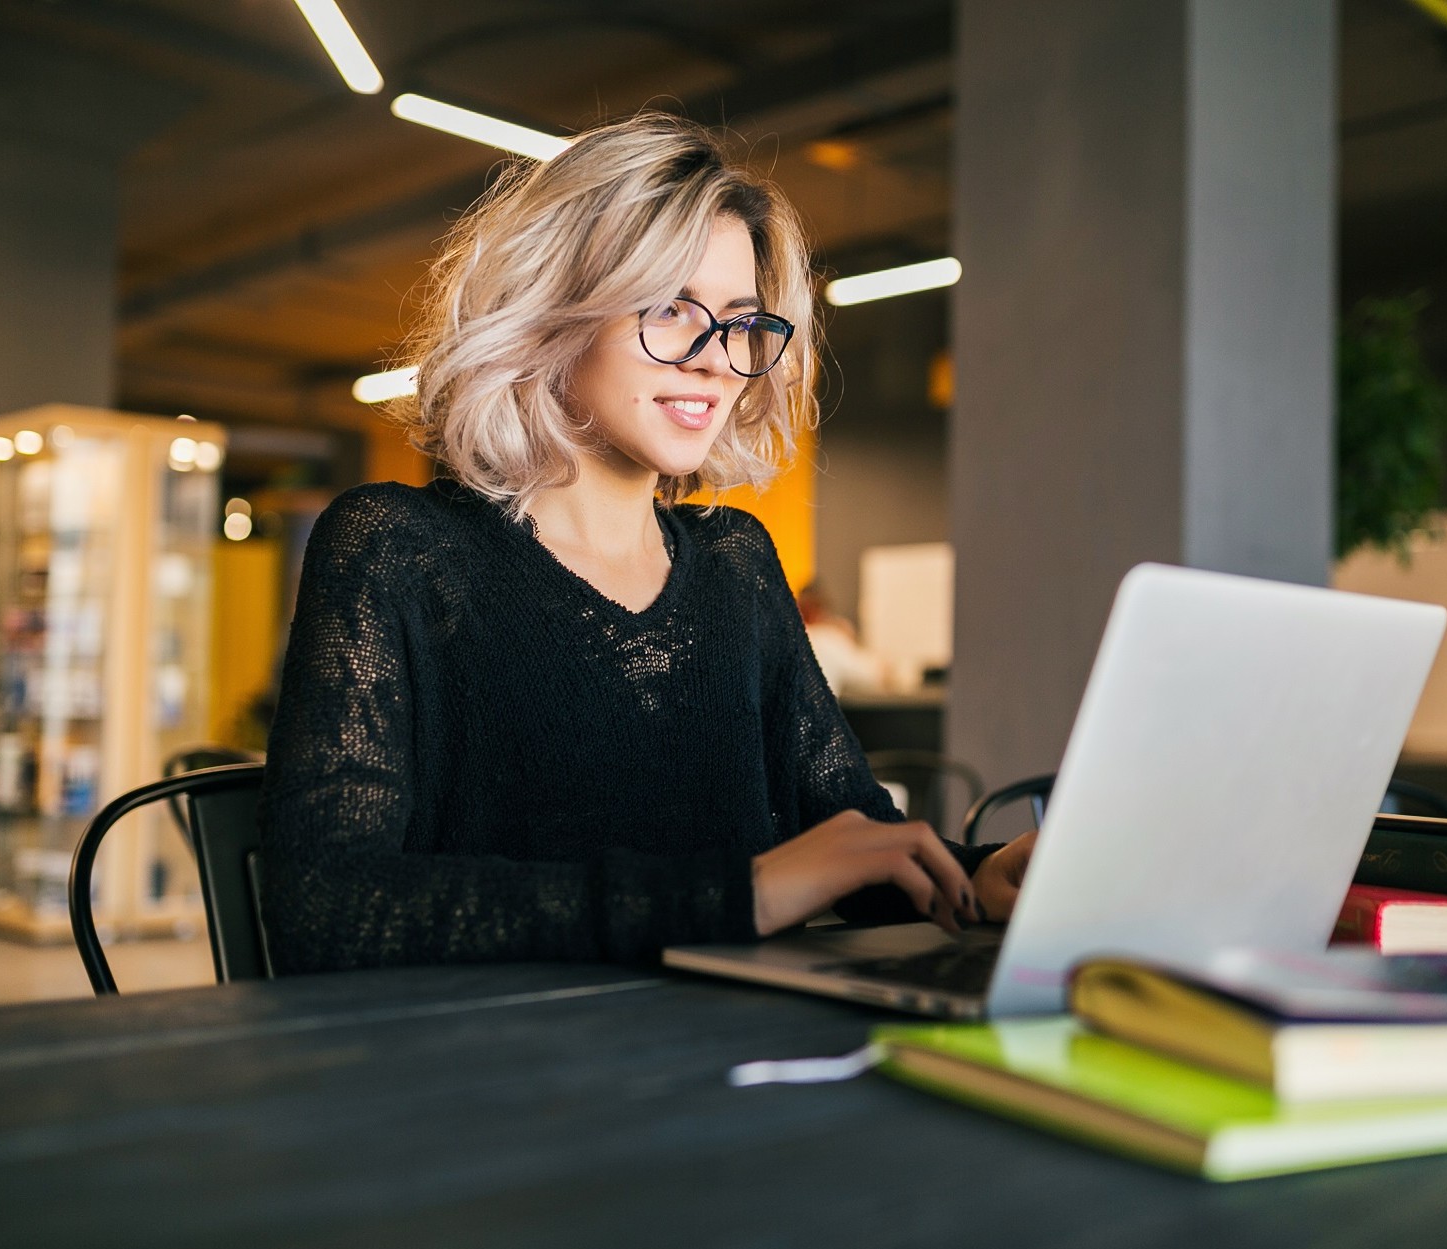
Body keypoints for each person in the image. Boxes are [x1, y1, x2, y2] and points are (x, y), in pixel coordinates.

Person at [256, 112, 1034, 974]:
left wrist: (980, 875)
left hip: (747, 1054)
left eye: (742, 323)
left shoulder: (737, 561)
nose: (715, 359)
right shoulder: (400, 549)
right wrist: (740, 896)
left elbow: (847, 842)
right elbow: (325, 909)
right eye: (669, 308)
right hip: (502, 1073)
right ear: (553, 314)